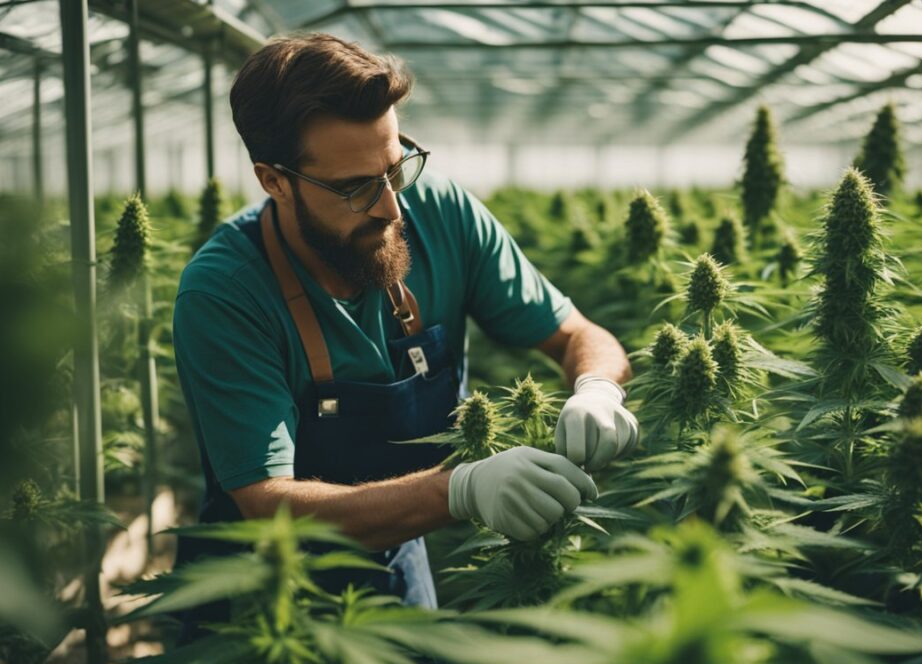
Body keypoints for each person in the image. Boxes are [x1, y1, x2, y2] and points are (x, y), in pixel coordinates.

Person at [172, 32, 639, 611]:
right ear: (274, 181)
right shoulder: (225, 291)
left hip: (397, 550)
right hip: (259, 596)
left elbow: (578, 335)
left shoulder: (443, 213)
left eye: (395, 169)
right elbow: (266, 504)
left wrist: (596, 388)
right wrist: (460, 489)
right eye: (354, 189)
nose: (391, 209)